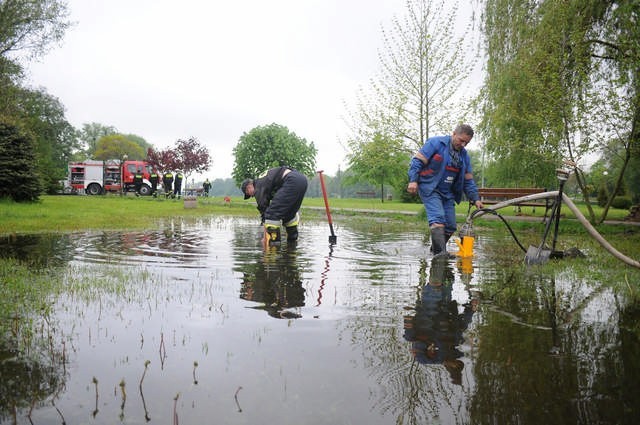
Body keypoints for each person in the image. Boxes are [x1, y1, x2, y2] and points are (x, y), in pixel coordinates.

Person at [407, 124, 483, 256]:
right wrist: (413, 180)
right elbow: (417, 162)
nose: (463, 144)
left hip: (448, 193)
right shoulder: (435, 143)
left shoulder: (464, 156)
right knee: (438, 219)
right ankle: (441, 255)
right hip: (430, 188)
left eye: (467, 142)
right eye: (461, 140)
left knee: (450, 226)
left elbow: (468, 180)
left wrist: (475, 198)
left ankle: (435, 251)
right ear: (453, 134)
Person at [240, 166, 308, 246]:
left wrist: (264, 236)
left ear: (249, 187)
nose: (252, 196)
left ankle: (273, 248)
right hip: (301, 179)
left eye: (248, 194)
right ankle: (292, 244)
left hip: (291, 180)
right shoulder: (263, 181)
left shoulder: (258, 187)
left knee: (271, 215)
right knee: (289, 215)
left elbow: (264, 211)